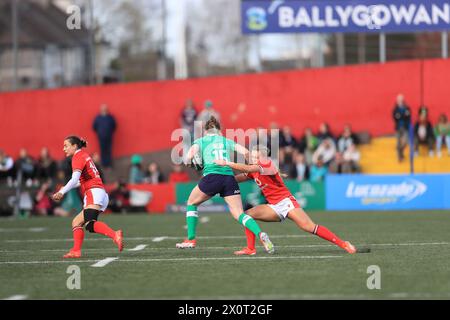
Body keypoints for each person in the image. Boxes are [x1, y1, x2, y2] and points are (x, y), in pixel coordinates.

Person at [215, 145, 356, 256]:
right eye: (251, 156)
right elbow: (238, 178)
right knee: (247, 215)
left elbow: (248, 167)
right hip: (273, 206)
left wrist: (227, 163)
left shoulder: (266, 164)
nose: (251, 158)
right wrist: (219, 180)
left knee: (309, 227)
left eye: (254, 156)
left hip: (286, 202)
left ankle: (343, 244)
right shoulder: (253, 169)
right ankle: (250, 249)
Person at [176, 117, 274, 254]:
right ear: (219, 130)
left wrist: (193, 164)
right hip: (229, 178)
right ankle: (260, 234)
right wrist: (252, 166)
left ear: (205, 131)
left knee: (192, 202)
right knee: (239, 214)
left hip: (212, 176)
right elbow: (246, 152)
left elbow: (187, 159)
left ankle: (191, 240)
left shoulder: (200, 141)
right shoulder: (226, 141)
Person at [52, 136, 123, 259]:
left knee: (90, 224)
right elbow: (82, 180)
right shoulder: (84, 155)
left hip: (93, 193)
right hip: (98, 192)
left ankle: (115, 234)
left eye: (66, 146)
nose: (64, 149)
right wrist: (65, 188)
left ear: (74, 146)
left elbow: (74, 179)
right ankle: (76, 251)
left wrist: (62, 191)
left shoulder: (77, 157)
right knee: (76, 222)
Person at [93, 104, 117, 168]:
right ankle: (104, 164)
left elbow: (114, 126)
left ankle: (109, 164)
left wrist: (110, 132)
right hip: (101, 137)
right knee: (103, 150)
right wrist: (99, 132)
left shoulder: (110, 117)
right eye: (103, 109)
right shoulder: (98, 118)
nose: (104, 110)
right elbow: (94, 126)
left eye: (105, 109)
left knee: (109, 150)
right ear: (101, 110)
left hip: (109, 136)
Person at [392, 94, 411, 162]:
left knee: (405, 142)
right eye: (399, 99)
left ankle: (401, 151)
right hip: (398, 127)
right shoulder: (395, 109)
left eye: (401, 99)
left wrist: (400, 116)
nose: (400, 100)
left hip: (405, 127)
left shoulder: (406, 108)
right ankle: (399, 157)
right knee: (398, 142)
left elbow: (408, 116)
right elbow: (395, 117)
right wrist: (402, 116)